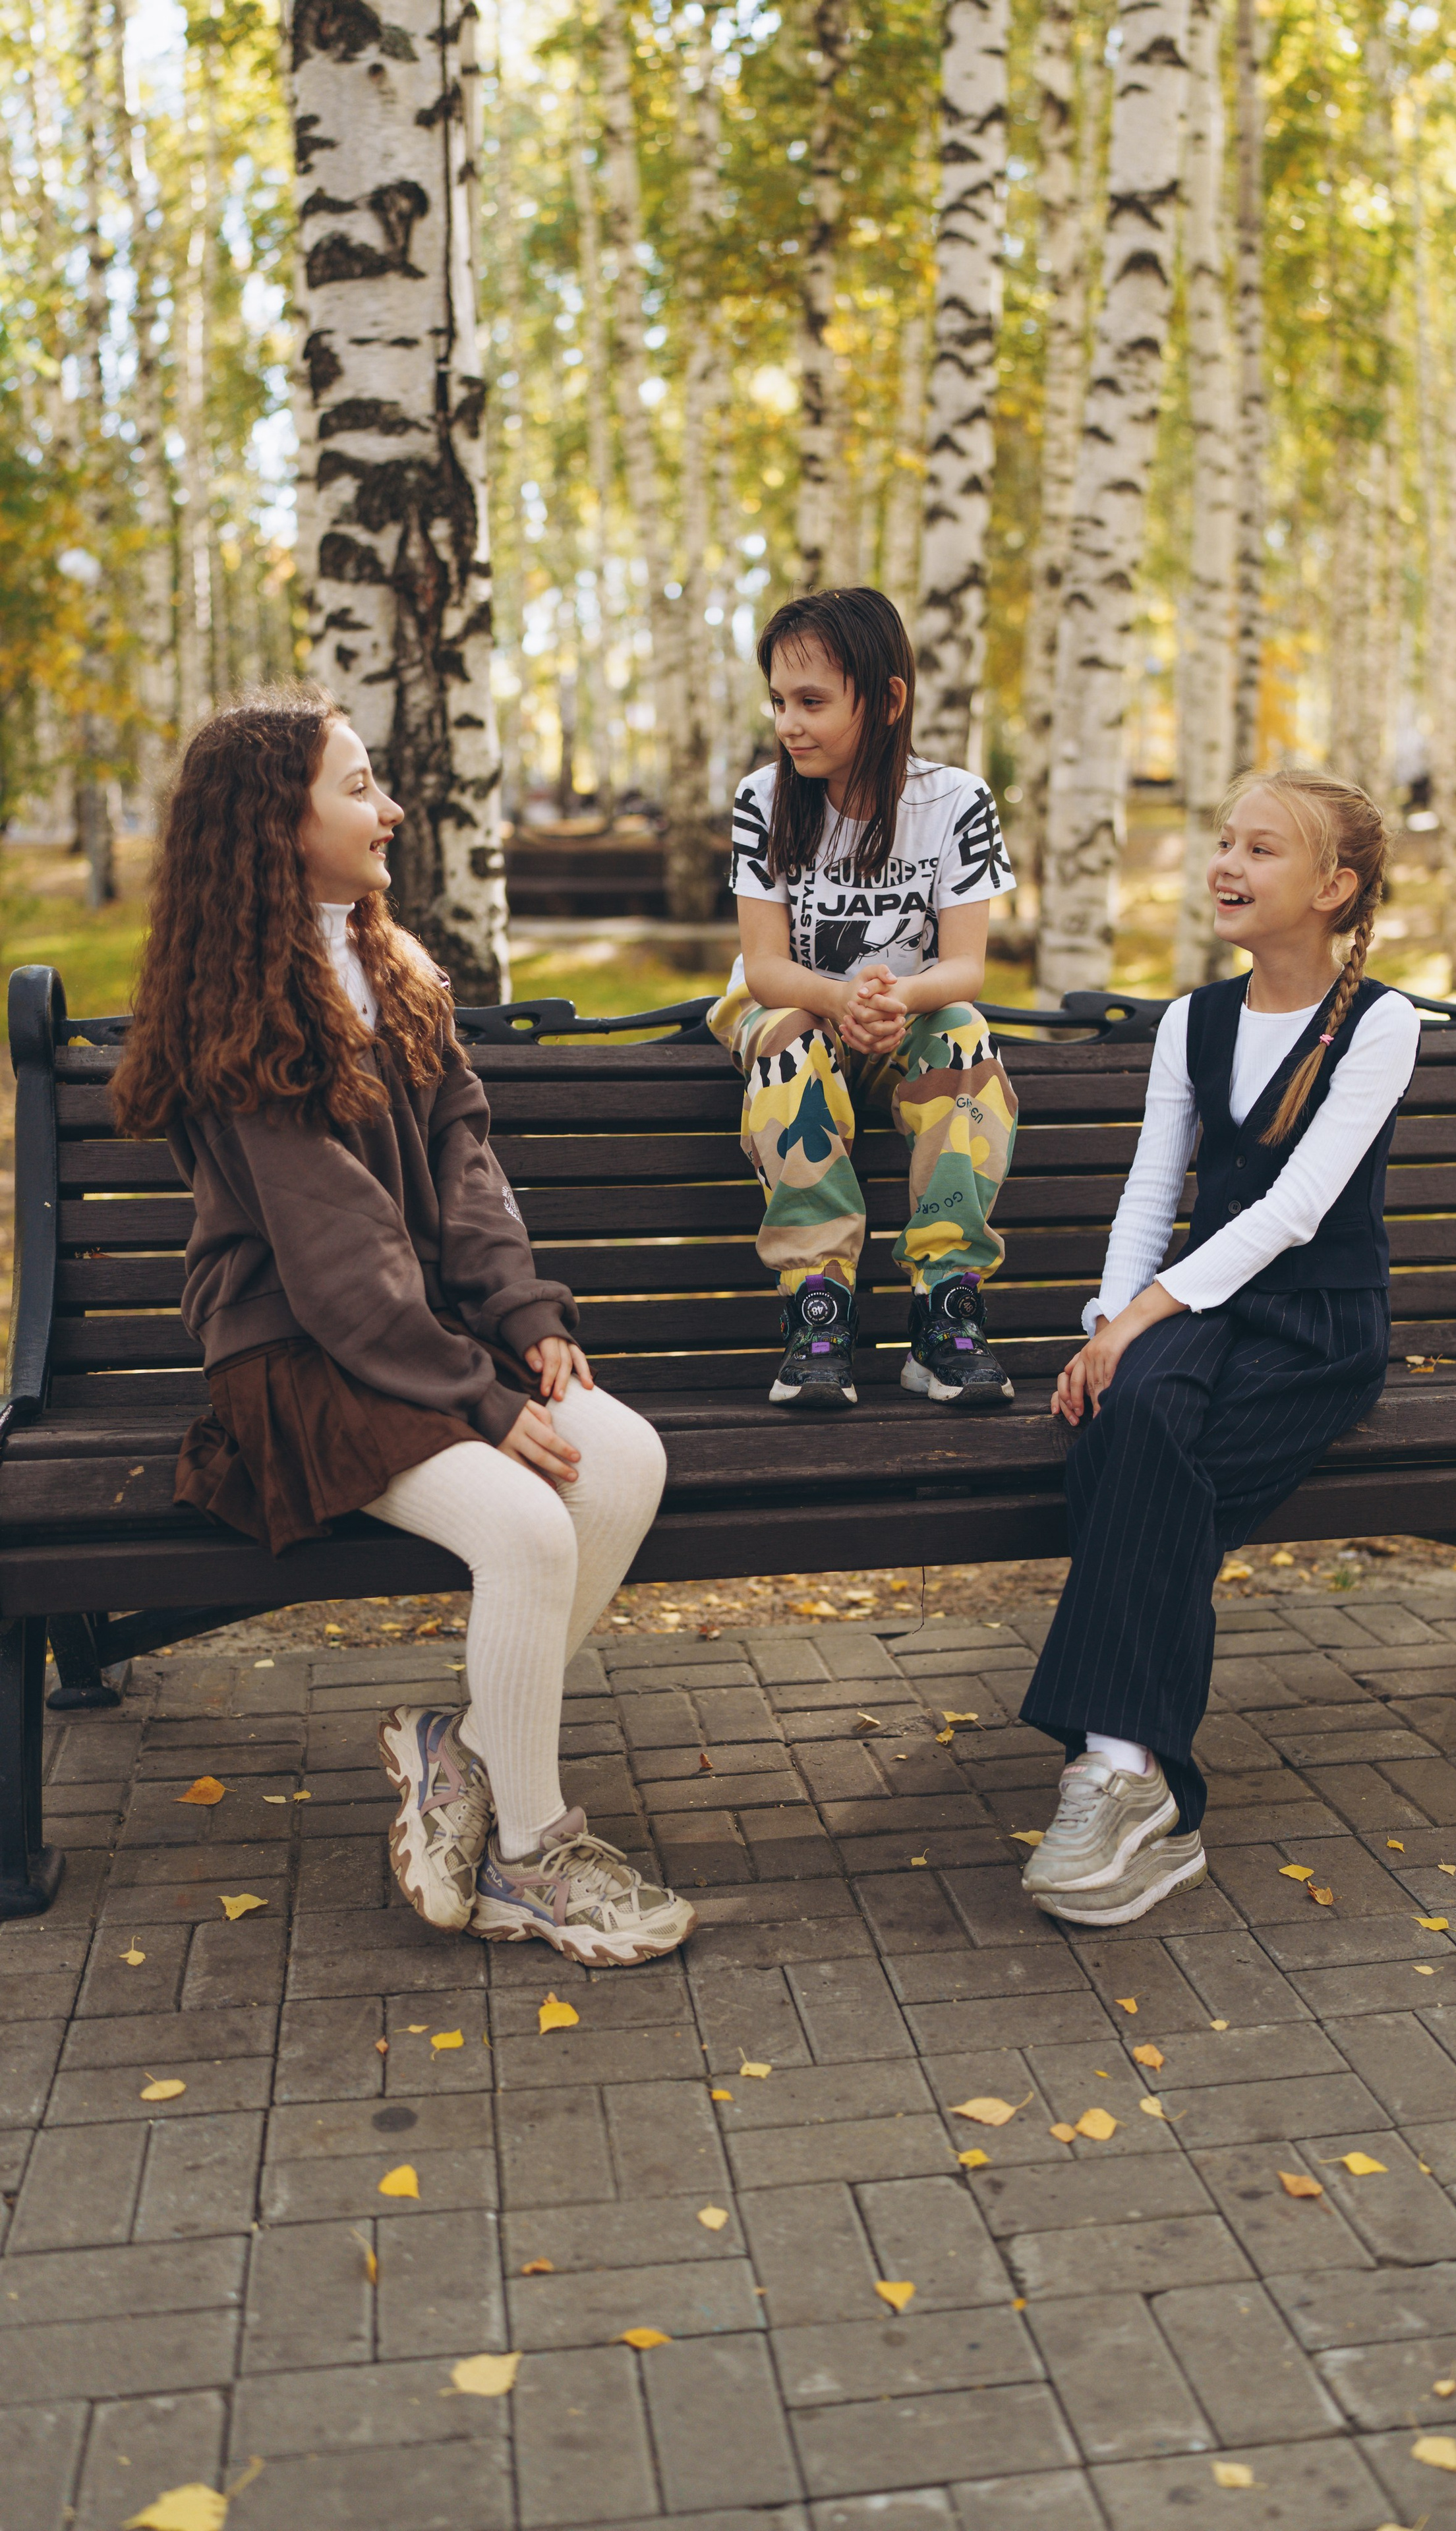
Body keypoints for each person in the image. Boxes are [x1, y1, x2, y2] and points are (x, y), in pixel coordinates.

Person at [111, 685, 695, 1967]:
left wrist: (526, 1320)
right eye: (358, 786)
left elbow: (466, 1165)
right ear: (278, 825)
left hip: (420, 1337)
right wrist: (484, 1404)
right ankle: (532, 1858)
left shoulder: (395, 962)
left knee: (626, 1459)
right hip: (299, 1359)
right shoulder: (239, 1011)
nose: (389, 808)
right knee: (529, 1524)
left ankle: (463, 1756)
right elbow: (333, 1259)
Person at [1018, 769, 1420, 1927]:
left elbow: (1295, 1211)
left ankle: (1121, 1771)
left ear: (1335, 889)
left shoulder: (1379, 1024)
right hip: (1201, 1305)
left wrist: (1141, 1319)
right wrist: (1108, 1325)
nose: (1227, 867)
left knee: (1142, 1464)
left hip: (1317, 1323)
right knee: (1129, 1422)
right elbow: (1152, 1192)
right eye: (1224, 841)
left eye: (1262, 851)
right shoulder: (1193, 1019)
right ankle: (1139, 1783)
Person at [710, 587, 1020, 1409]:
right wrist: (841, 999)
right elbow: (767, 967)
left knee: (963, 1034)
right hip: (796, 1011)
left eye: (812, 702)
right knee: (789, 1033)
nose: (788, 723)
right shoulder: (762, 801)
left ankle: (945, 1313)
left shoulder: (956, 802)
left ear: (886, 701)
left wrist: (901, 996)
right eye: (778, 701)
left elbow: (963, 969)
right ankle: (820, 1309)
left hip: (900, 1018)